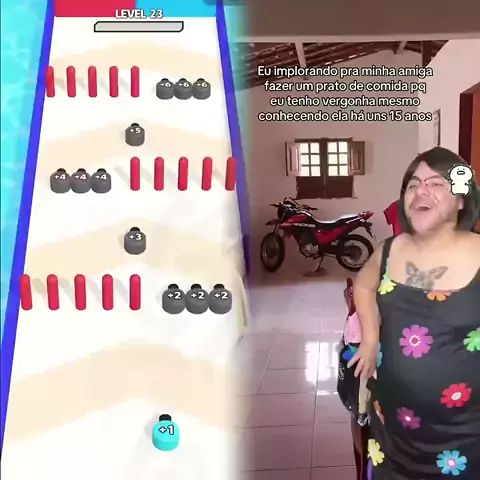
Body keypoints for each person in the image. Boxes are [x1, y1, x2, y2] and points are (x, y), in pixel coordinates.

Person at [348, 147, 480, 479]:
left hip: (467, 436)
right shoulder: (388, 250)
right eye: (413, 184)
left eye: (436, 184)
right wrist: (370, 339)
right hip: (392, 431)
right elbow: (363, 286)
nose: (421, 191)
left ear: (461, 199)